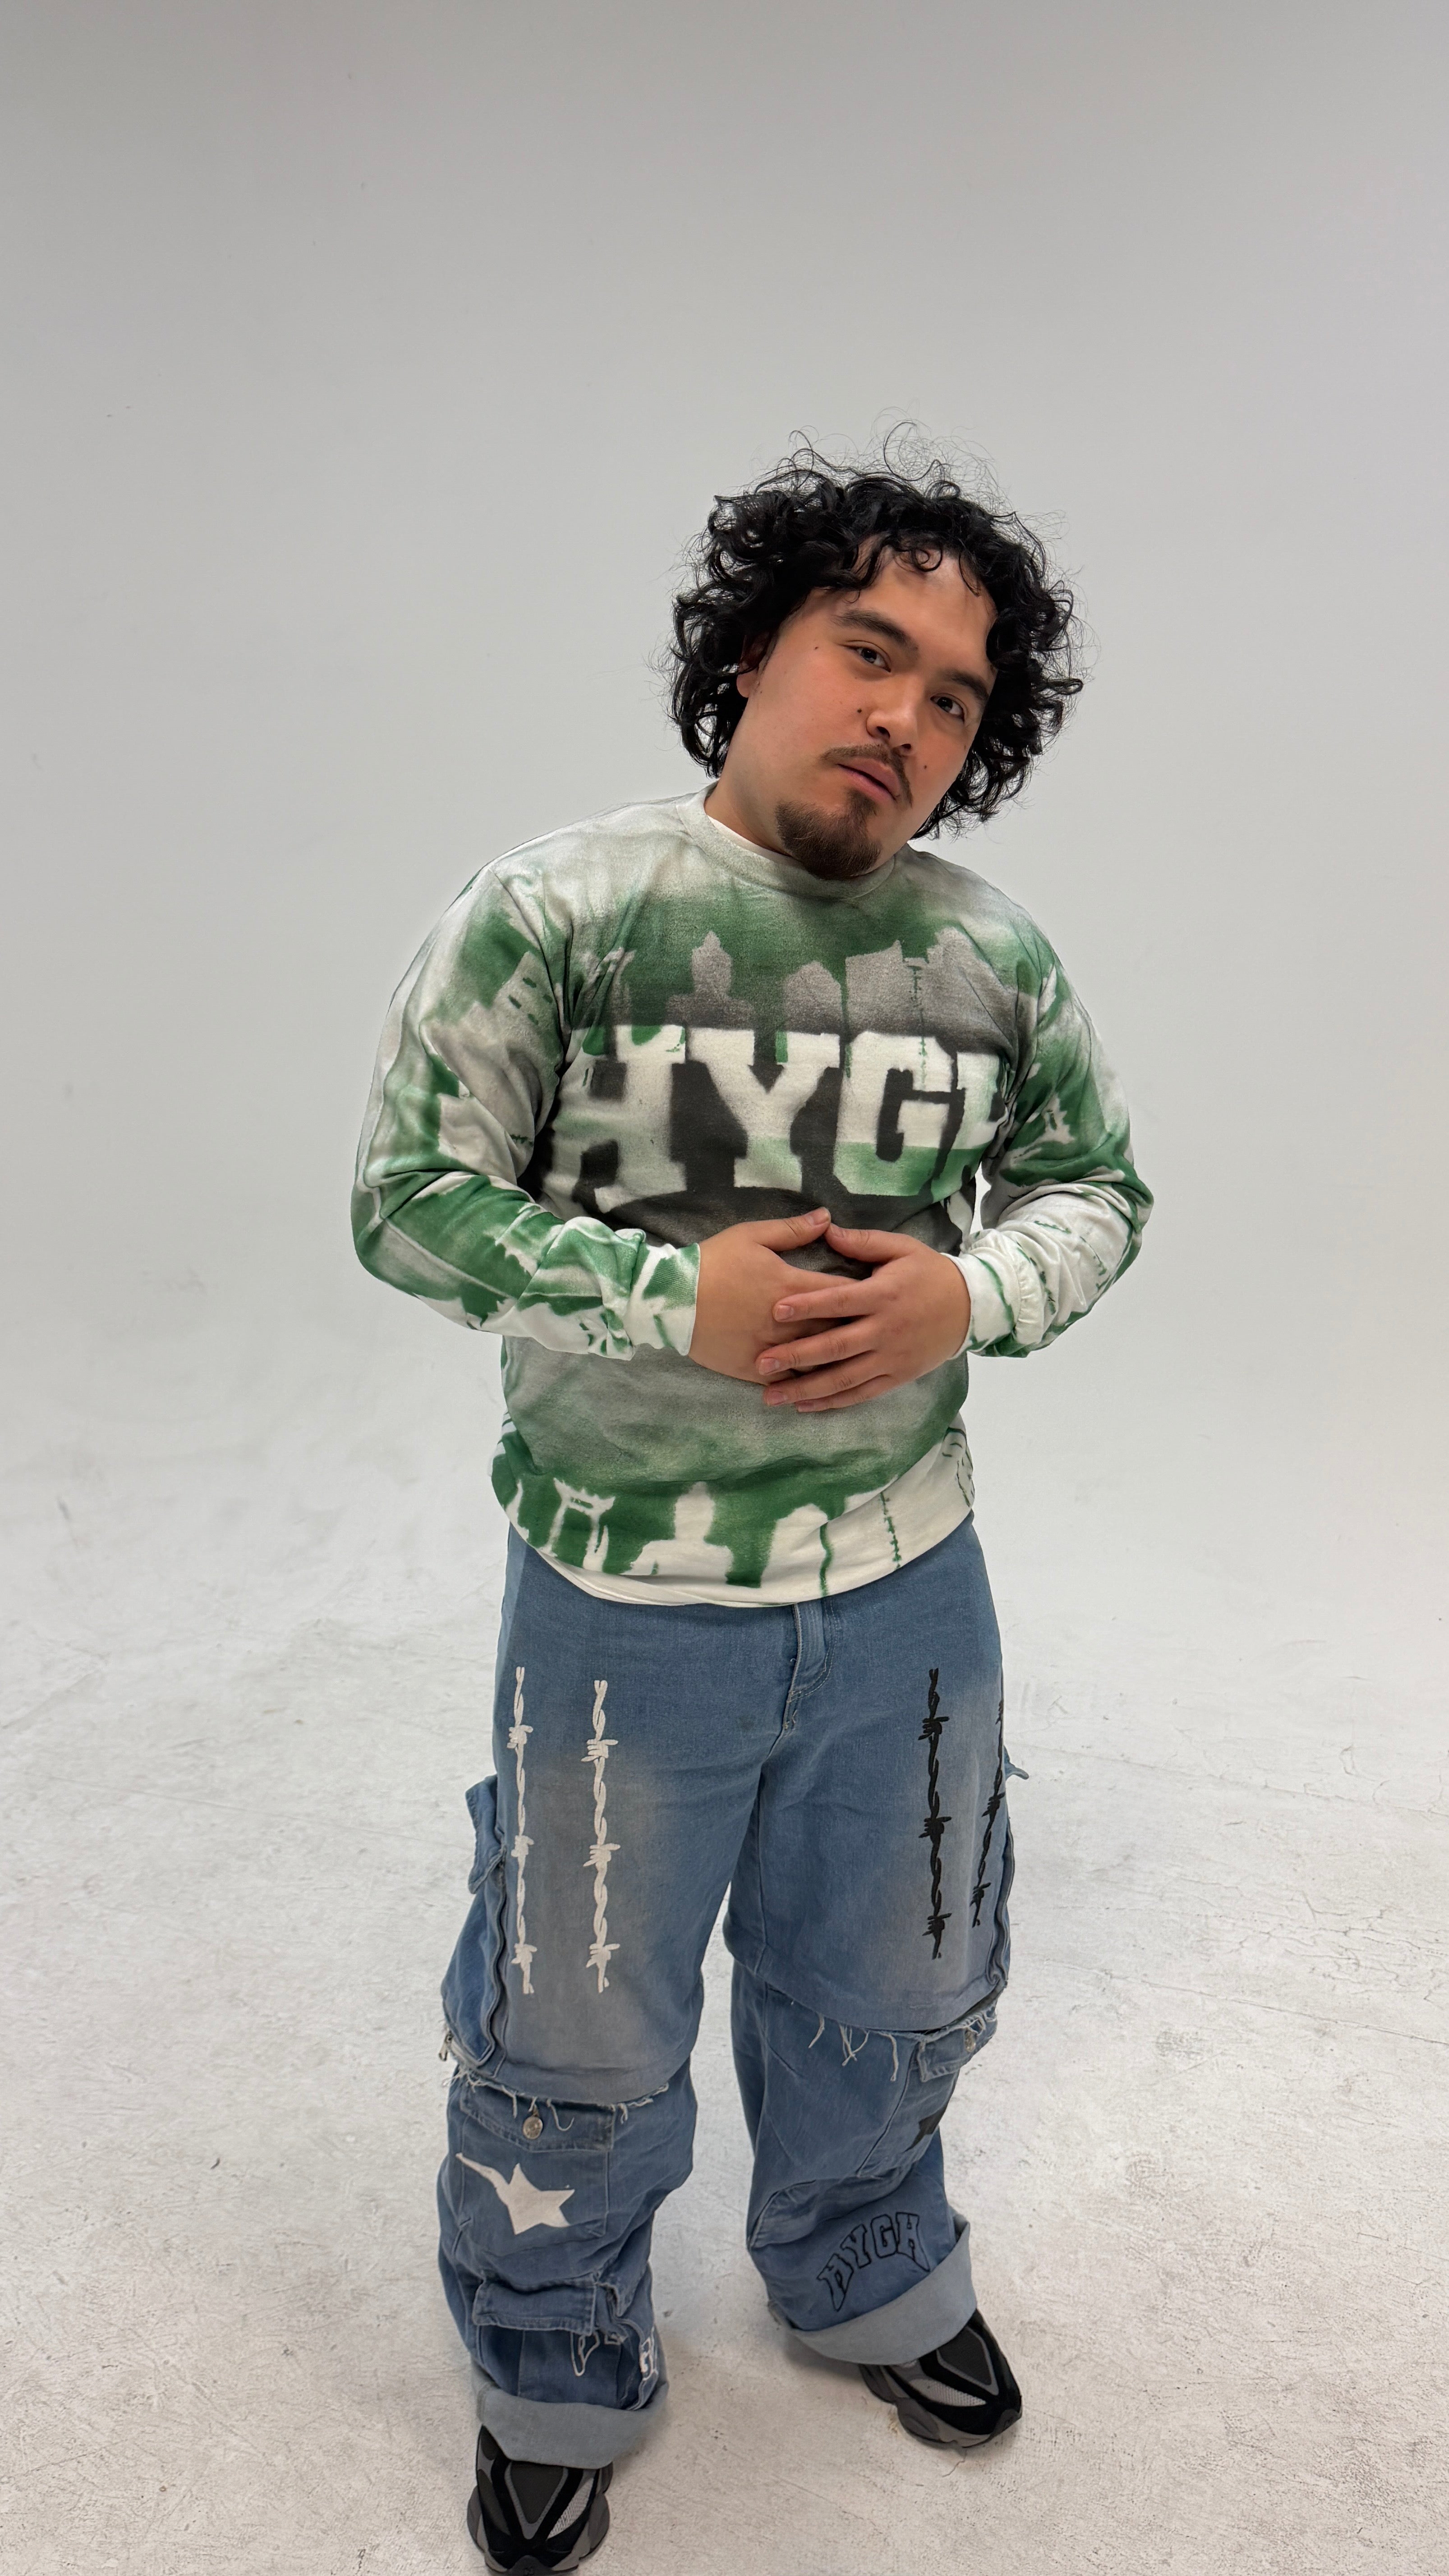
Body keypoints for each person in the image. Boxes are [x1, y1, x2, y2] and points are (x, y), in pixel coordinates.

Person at [353, 446, 1150, 2572]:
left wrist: (967, 1297)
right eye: (869, 651)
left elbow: (1099, 1190)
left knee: (900, 1967)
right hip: (620, 1594)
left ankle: (867, 2263)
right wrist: (664, 1299)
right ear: (752, 654)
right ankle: (553, 2348)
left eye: (958, 696)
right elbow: (406, 1203)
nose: (907, 715)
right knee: (574, 2013)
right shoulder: (553, 913)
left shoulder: (993, 956)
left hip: (910, 1588)